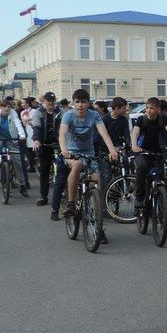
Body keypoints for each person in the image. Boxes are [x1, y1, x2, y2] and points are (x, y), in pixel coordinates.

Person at [57, 89, 118, 231]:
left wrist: (112, 150)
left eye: (83, 102)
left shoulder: (94, 115)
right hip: (71, 153)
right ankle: (71, 203)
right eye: (77, 102)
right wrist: (64, 150)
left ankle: (98, 228)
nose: (80, 105)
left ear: (88, 103)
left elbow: (104, 133)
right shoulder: (68, 115)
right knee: (77, 165)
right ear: (73, 103)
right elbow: (62, 134)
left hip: (89, 153)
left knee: (97, 184)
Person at [130, 97, 167, 213]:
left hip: (158, 153)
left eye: (152, 108)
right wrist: (134, 145)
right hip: (142, 152)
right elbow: (135, 133)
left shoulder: (162, 119)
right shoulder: (141, 119)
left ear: (158, 110)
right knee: (142, 167)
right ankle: (139, 198)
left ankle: (160, 208)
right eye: (147, 108)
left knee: (160, 178)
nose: (148, 111)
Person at [0, 98, 30, 198]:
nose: (7, 108)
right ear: (0, 107)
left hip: (12, 139)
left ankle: (22, 186)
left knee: (18, 163)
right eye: (4, 106)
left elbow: (18, 124)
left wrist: (22, 135)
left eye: (9, 106)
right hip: (0, 137)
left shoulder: (13, 113)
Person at [30, 92, 62, 209]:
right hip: (44, 145)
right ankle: (43, 196)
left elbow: (65, 128)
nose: (51, 103)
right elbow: (37, 127)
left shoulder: (60, 112)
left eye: (53, 100)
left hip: (59, 145)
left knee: (63, 170)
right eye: (48, 100)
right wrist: (37, 140)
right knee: (44, 171)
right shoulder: (39, 113)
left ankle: (63, 194)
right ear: (44, 101)